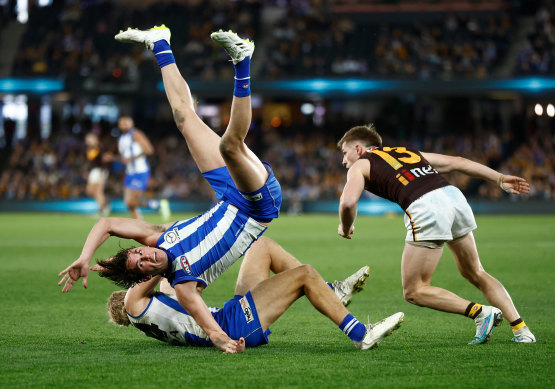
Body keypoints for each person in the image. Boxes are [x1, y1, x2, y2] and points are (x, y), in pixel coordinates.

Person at [59, 26, 285, 353]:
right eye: (141, 262)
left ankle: (161, 42)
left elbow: (107, 224)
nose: (143, 255)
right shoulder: (175, 282)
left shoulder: (156, 242)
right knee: (230, 145)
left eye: (136, 252)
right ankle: (242, 63)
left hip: (228, 197)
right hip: (253, 205)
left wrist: (85, 256)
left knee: (184, 117)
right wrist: (218, 337)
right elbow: (182, 297)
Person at [336, 124, 536, 344]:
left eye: (345, 153)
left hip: (426, 206)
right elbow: (457, 162)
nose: (344, 161)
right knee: (476, 272)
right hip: (452, 197)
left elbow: (347, 203)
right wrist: (499, 178)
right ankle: (522, 330)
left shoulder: (361, 164)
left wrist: (345, 227)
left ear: (358, 148)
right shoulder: (408, 152)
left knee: (414, 290)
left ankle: (480, 313)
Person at [105, 236, 404, 351]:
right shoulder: (133, 302)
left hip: (226, 315)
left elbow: (176, 282)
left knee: (261, 246)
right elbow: (157, 269)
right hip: (231, 327)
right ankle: (360, 334)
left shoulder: (153, 312)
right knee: (305, 274)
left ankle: (332, 295)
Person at [117, 115, 156, 219]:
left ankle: (153, 204)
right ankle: (139, 222)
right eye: (121, 123)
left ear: (132, 124)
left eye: (126, 123)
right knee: (128, 203)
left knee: (131, 201)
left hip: (140, 171)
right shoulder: (121, 138)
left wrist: (132, 158)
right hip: (129, 172)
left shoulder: (136, 134)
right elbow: (125, 157)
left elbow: (149, 150)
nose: (123, 125)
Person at [85, 133, 113, 217]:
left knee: (98, 191)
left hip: (100, 171)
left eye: (89, 139)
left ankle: (101, 210)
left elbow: (107, 158)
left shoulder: (100, 148)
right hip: (93, 171)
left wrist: (104, 172)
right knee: (89, 191)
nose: (87, 141)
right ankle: (106, 203)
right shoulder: (89, 149)